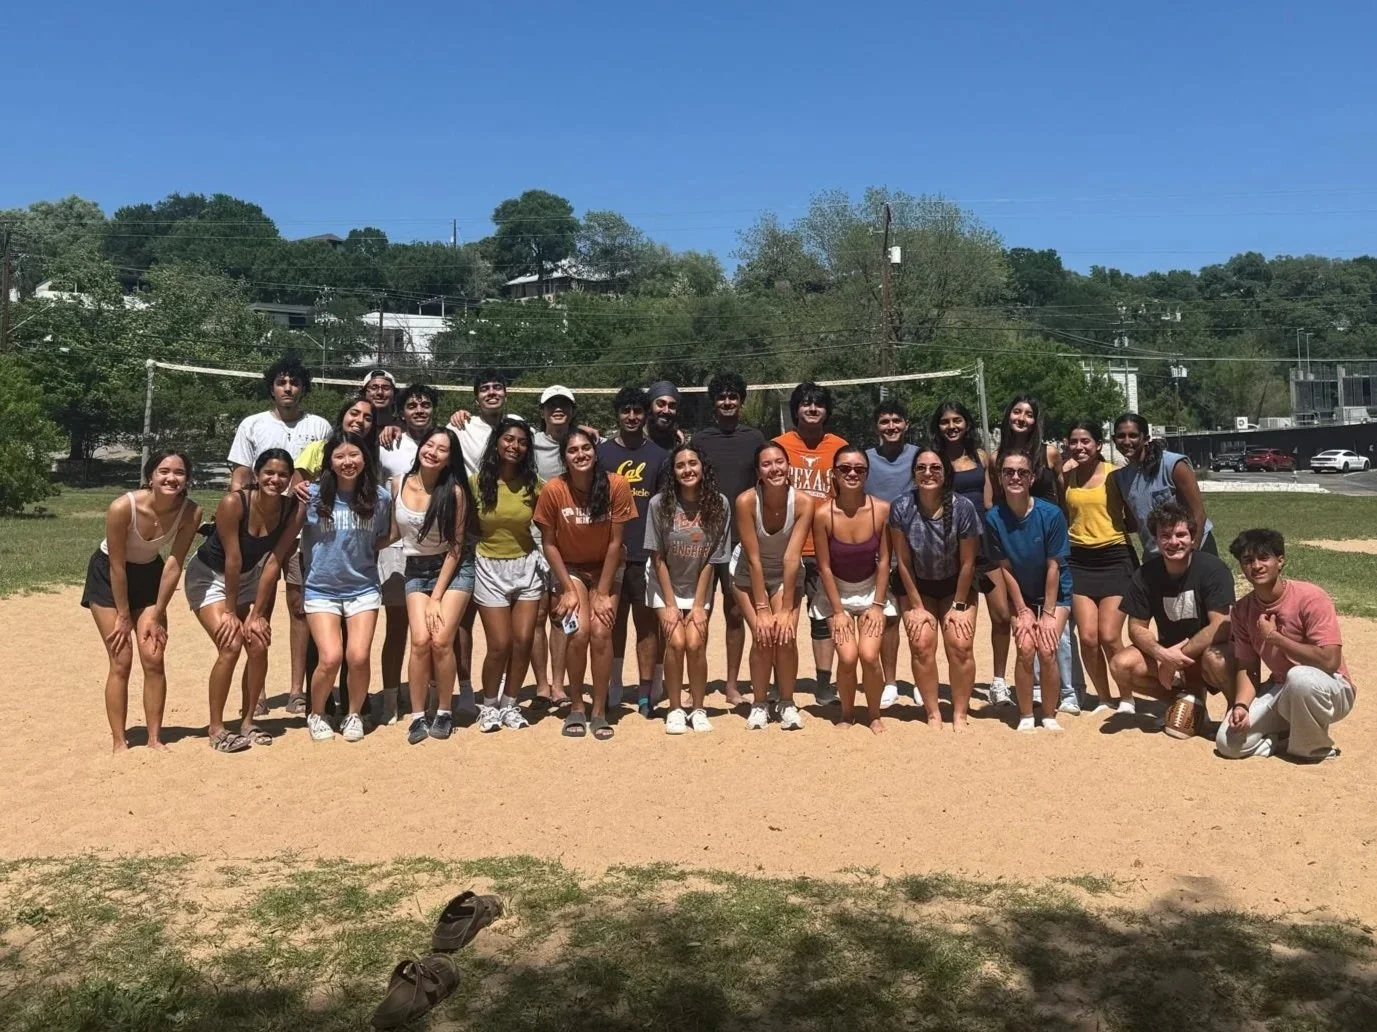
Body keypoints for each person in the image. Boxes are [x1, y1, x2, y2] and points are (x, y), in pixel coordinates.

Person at [227, 355, 331, 717]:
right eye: (281, 382)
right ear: (272, 387)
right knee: (260, 607)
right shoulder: (253, 424)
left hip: (304, 530)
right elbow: (240, 474)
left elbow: (330, 472)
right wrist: (237, 514)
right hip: (262, 529)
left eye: (295, 383)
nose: (288, 389)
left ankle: (297, 691)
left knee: (299, 607)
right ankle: (257, 691)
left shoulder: (319, 425)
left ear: (303, 388)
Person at [184, 449, 305, 752]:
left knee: (258, 642)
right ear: (256, 473)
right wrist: (229, 611)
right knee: (231, 643)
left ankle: (249, 721)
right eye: (268, 473)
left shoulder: (293, 509)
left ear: (290, 479)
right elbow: (233, 560)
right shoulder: (234, 503)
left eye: (282, 475)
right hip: (210, 576)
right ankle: (216, 728)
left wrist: (258, 614)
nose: (275, 480)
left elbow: (275, 562)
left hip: (251, 575)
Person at [82, 450, 201, 752]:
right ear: (150, 476)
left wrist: (158, 611)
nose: (171, 478)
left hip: (150, 575)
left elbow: (174, 563)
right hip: (109, 577)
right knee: (121, 660)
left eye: (179, 472)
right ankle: (119, 741)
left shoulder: (191, 512)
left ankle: (154, 738)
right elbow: (117, 566)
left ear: (187, 479)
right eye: (164, 471)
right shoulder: (123, 507)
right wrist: (123, 615)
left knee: (153, 655)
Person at [1217, 529, 1354, 762]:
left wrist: (1276, 639)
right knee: (1228, 743)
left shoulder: (1311, 597)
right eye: (1248, 561)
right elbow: (1247, 666)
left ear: (1280, 561)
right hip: (1282, 687)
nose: (1256, 566)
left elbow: (1330, 661)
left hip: (1330, 688)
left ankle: (1313, 748)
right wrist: (1241, 705)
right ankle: (1282, 739)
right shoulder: (1242, 611)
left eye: (1263, 558)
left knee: (1300, 677)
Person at [536, 430, 636, 741]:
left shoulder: (616, 485)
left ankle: (599, 710)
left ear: (595, 451)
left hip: (607, 566)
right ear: (563, 457)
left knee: (602, 631)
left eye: (585, 448)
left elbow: (616, 543)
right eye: (572, 450)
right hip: (571, 569)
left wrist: (603, 593)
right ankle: (577, 705)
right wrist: (566, 588)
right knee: (577, 632)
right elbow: (549, 544)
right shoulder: (554, 489)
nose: (580, 454)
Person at [1110, 501, 1235, 736]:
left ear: (1193, 537)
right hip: (1171, 656)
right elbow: (1136, 628)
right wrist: (1162, 655)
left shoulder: (1213, 569)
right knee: (1121, 665)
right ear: (1156, 540)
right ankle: (1183, 700)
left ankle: (1235, 711)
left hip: (1209, 653)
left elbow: (1220, 625)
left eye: (1180, 534)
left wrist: (1175, 659)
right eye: (1165, 535)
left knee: (1217, 659)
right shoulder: (1145, 574)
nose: (1173, 542)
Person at [301, 430, 394, 742]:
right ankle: (317, 713)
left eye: (354, 455)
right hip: (321, 588)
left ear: (365, 459)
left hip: (363, 587)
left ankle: (353, 713)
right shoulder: (313, 495)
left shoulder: (379, 498)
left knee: (358, 656)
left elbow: (384, 535)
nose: (347, 461)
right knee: (329, 658)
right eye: (339, 456)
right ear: (329, 461)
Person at [293, 395, 380, 716]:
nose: (359, 420)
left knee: (356, 653)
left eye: (368, 417)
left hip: (359, 572)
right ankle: (319, 706)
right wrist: (299, 489)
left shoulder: (377, 481)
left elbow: (384, 528)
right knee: (326, 650)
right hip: (320, 567)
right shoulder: (318, 459)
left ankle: (352, 705)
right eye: (353, 413)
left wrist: (371, 546)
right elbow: (296, 486)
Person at [992, 394, 1078, 713]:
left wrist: (1062, 526)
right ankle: (1034, 688)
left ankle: (1067, 691)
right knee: (1020, 621)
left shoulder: (1049, 453)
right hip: (1015, 538)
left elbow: (1061, 490)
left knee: (1055, 625)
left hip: (1048, 534)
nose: (1022, 418)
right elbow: (994, 497)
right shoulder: (997, 456)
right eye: (1016, 411)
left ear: (1036, 420)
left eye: (1029, 413)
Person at [393, 428, 477, 745]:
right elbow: (391, 532)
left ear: (449, 459)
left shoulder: (454, 492)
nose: (433, 451)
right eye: (429, 444)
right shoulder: (398, 483)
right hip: (416, 568)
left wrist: (436, 597)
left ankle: (443, 710)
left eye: (442, 449)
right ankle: (417, 716)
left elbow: (456, 548)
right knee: (419, 641)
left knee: (441, 640)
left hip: (452, 570)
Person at [888, 446, 982, 731]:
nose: (928, 473)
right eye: (921, 468)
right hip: (917, 585)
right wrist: (916, 605)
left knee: (960, 645)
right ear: (914, 473)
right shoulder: (901, 507)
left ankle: (960, 713)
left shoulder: (963, 507)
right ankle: (932, 712)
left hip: (957, 584)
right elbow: (902, 562)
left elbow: (968, 563)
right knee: (921, 645)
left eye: (935, 467)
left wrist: (959, 605)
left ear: (946, 473)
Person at [689, 372, 765, 707]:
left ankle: (733, 684)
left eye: (733, 396)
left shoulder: (755, 439)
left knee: (735, 614)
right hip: (704, 540)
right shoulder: (700, 440)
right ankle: (697, 683)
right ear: (713, 402)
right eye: (721, 397)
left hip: (740, 541)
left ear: (742, 401)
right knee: (699, 611)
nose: (727, 402)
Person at [984, 450, 1073, 732]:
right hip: (1019, 589)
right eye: (1008, 472)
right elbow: (1005, 569)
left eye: (1022, 472)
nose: (1015, 477)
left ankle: (1048, 713)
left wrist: (1046, 614)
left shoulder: (1051, 514)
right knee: (1024, 647)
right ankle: (1025, 714)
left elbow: (1054, 567)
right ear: (1000, 477)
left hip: (1054, 589)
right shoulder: (993, 517)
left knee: (1046, 647)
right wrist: (1022, 611)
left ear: (1032, 478)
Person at [645, 443, 731, 734]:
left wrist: (697, 605)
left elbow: (713, 558)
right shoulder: (659, 504)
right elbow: (657, 557)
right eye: (680, 465)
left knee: (695, 643)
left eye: (692, 463)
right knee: (676, 641)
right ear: (673, 472)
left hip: (698, 584)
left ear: (703, 467)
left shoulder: (719, 504)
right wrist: (670, 605)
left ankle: (697, 707)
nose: (687, 470)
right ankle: (674, 708)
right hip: (663, 581)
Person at [931, 399, 1010, 706]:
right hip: (950, 547)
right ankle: (956, 678)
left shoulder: (981, 458)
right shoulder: (934, 460)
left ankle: (999, 681)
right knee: (960, 622)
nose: (951, 426)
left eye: (957, 420)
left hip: (985, 545)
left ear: (967, 424)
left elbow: (991, 502)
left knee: (1002, 616)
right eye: (945, 421)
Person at [773, 381, 848, 705]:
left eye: (818, 404)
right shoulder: (779, 446)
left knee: (822, 617)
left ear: (827, 411)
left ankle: (822, 684)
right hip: (785, 548)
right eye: (805, 403)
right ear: (796, 410)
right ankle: (780, 683)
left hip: (824, 549)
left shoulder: (840, 447)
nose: (812, 408)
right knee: (782, 616)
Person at [812, 446, 897, 732]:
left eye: (859, 469)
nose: (852, 473)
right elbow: (823, 566)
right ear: (833, 473)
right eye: (845, 468)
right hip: (836, 592)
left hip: (872, 590)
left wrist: (877, 605)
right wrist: (837, 611)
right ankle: (847, 713)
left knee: (869, 655)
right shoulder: (823, 514)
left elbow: (885, 560)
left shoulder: (881, 509)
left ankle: (873, 714)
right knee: (848, 657)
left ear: (867, 473)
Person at [731, 442, 814, 731]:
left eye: (779, 462)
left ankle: (787, 702)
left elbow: (792, 557)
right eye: (767, 464)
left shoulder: (803, 502)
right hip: (748, 574)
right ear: (758, 472)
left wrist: (788, 608)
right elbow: (753, 559)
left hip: (785, 575)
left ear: (788, 467)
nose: (774, 468)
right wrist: (762, 609)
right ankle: (759, 703)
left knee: (786, 635)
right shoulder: (745, 502)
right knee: (762, 635)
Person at [597, 386, 668, 715]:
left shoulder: (657, 455)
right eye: (626, 410)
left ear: (646, 415)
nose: (632, 416)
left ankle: (646, 688)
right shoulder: (601, 454)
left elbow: (663, 508)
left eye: (637, 411)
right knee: (612, 624)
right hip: (609, 554)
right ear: (618, 413)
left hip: (644, 553)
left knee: (646, 625)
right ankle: (613, 684)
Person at [470, 417, 544, 732]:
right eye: (509, 440)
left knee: (524, 640)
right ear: (497, 442)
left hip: (527, 565)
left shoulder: (533, 485)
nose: (514, 446)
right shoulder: (476, 483)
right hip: (489, 566)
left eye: (522, 442)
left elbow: (553, 524)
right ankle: (489, 705)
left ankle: (510, 704)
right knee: (499, 644)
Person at [375, 384, 440, 721]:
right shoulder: (389, 443)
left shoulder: (444, 442)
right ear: (401, 412)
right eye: (412, 405)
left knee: (432, 626)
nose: (419, 410)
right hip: (397, 544)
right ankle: (389, 697)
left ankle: (430, 696)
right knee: (398, 624)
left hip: (434, 545)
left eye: (425, 404)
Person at [1062, 421, 1137, 713]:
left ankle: (1127, 696)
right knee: (1088, 638)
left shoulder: (1114, 475)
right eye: (1074, 441)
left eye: (1086, 441)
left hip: (1115, 557)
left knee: (1109, 635)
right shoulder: (1065, 477)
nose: (1079, 447)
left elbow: (1132, 517)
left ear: (1098, 445)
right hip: (1079, 561)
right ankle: (1104, 698)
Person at [864, 400, 918, 709]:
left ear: (906, 424)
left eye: (897, 420)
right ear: (877, 427)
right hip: (878, 549)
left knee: (915, 616)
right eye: (884, 421)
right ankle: (890, 681)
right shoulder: (867, 459)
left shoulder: (917, 457)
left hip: (914, 548)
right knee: (889, 619)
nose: (891, 426)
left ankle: (921, 677)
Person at [530, 385, 576, 709]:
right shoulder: (530, 442)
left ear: (571, 412)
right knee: (536, 615)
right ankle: (542, 685)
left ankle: (560, 685)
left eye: (563, 406)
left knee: (561, 614)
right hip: (533, 539)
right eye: (551, 406)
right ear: (543, 412)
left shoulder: (582, 443)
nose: (557, 410)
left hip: (569, 542)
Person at [1111, 412, 1214, 556]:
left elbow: (1199, 514)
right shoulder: (1121, 477)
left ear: (1145, 438)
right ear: (1114, 440)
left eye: (1133, 435)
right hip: (1156, 554)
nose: (1126, 441)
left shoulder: (1173, 465)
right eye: (1121, 436)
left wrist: (1192, 551)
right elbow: (1133, 524)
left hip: (1193, 548)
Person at [362, 367, 402, 442]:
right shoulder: (357, 427)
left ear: (394, 395)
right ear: (364, 394)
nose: (380, 392)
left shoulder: (405, 429)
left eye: (386, 388)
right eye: (374, 388)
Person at [646, 379, 682, 450]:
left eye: (672, 406)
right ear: (649, 407)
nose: (666, 411)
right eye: (660, 404)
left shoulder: (678, 443)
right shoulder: (632, 439)